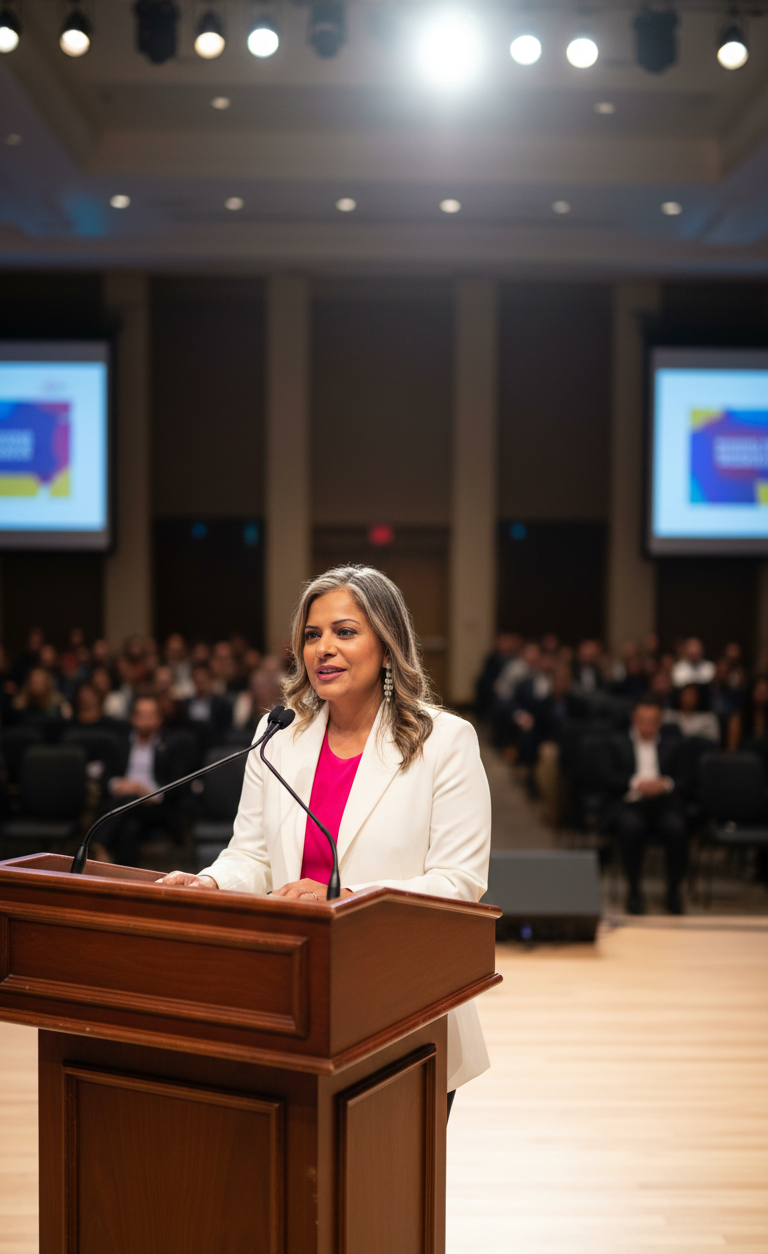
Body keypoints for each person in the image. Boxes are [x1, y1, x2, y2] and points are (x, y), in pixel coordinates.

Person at [160, 565, 492, 1117]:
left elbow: (459, 885)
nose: (323, 649)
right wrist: (211, 881)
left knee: (388, 1195)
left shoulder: (445, 742)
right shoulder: (278, 740)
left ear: (387, 647)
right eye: (312, 635)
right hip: (290, 1001)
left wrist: (342, 898)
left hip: (401, 1003)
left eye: (345, 631)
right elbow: (253, 856)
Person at [599, 700, 688, 915]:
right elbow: (606, 777)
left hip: (664, 803)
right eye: (642, 720)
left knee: (677, 829)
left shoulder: (673, 743)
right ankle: (634, 891)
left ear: (659, 722)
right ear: (634, 720)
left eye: (652, 721)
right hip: (631, 802)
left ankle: (673, 891)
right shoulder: (616, 742)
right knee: (631, 829)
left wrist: (664, 784)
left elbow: (688, 778)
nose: (647, 725)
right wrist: (635, 783)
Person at [98, 695, 184, 866]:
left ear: (160, 719)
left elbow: (179, 785)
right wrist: (118, 784)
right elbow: (105, 777)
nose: (145, 720)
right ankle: (125, 880)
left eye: (150, 715)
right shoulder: (118, 743)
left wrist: (149, 793)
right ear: (132, 718)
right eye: (141, 715)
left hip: (155, 807)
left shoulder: (172, 745)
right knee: (130, 828)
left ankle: (100, 842)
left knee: (132, 799)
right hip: (125, 807)